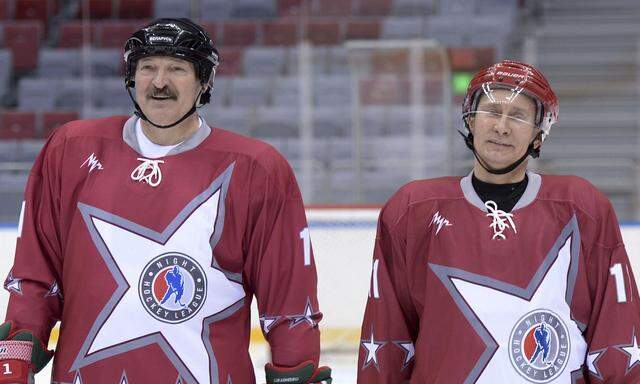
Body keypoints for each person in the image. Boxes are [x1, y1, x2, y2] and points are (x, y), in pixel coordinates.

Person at [0, 18, 331, 384]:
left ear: (205, 82)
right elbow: (36, 274)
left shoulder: (256, 170)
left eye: (176, 68)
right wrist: (15, 357)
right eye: (148, 68)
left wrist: (295, 373)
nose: (159, 82)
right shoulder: (70, 150)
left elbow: (288, 301)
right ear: (131, 78)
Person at [357, 60, 640, 383]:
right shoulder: (412, 211)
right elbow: (388, 337)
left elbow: (616, 333)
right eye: (491, 111)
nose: (502, 127)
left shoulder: (583, 209)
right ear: (471, 121)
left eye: (518, 116)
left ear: (539, 133)